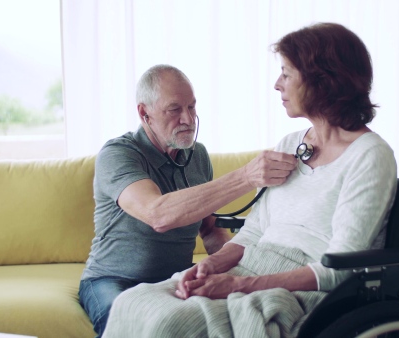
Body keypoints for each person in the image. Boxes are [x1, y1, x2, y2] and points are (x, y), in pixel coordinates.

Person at [102, 22, 398, 338]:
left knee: (169, 324)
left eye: (286, 73)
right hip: (251, 266)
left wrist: (241, 285)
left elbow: (338, 269)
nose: (277, 84)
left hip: (303, 287)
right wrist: (212, 265)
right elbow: (254, 231)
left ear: (321, 80)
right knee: (132, 302)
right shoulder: (291, 144)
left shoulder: (370, 156)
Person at [78, 64, 298, 337]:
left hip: (173, 278)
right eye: (174, 110)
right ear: (144, 113)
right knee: (127, 323)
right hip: (113, 280)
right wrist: (245, 177)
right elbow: (157, 214)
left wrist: (232, 269)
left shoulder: (197, 155)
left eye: (192, 107)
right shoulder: (118, 154)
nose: (188, 118)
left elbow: (208, 228)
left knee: (235, 317)